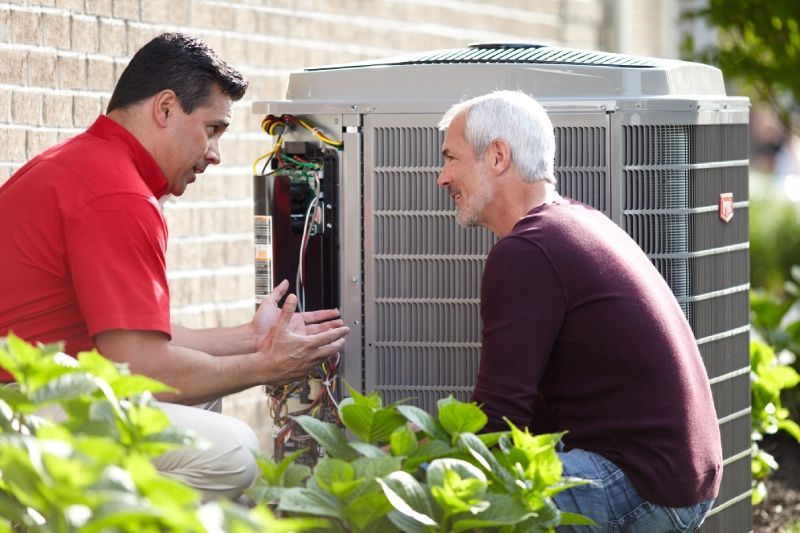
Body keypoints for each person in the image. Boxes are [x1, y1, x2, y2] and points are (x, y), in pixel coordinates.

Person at [0, 33, 349, 501]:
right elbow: (141, 366)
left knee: (202, 394)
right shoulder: (117, 196)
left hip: (30, 394)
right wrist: (266, 365)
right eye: (212, 129)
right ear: (165, 108)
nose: (215, 153)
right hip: (18, 407)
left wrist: (254, 338)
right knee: (235, 451)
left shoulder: (85, 165)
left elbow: (137, 341)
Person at [437, 91, 722, 532]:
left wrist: (413, 455)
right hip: (677, 478)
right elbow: (530, 415)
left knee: (445, 496)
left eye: (451, 158)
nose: (442, 178)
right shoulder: (576, 222)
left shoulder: (527, 251)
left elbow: (497, 423)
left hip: (640, 486)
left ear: (497, 156)